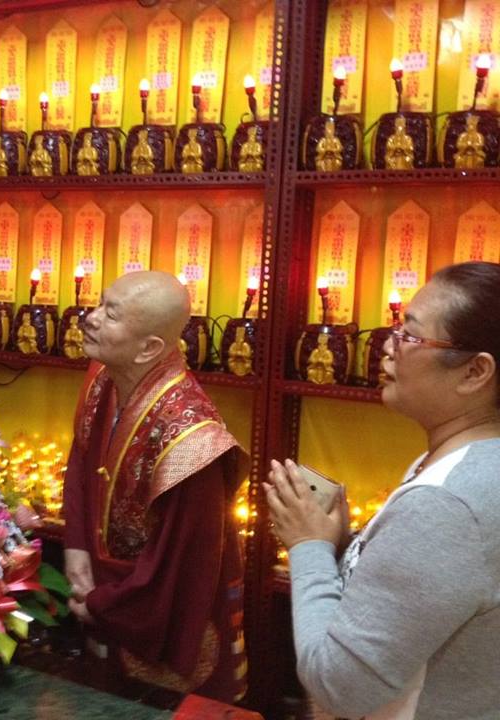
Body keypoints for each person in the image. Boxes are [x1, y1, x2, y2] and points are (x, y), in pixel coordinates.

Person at [266, 261, 500, 719]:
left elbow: (337, 686)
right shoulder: (460, 465)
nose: (388, 347)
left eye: (409, 335)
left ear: (475, 372)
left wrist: (308, 547)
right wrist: (343, 546)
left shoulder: (448, 505)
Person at [62, 270, 248, 703]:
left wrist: (102, 605)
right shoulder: (106, 377)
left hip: (155, 608)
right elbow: (82, 459)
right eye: (99, 303)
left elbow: (182, 565)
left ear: (148, 348)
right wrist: (76, 545)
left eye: (111, 314)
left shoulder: (191, 439)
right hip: (105, 587)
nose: (90, 318)